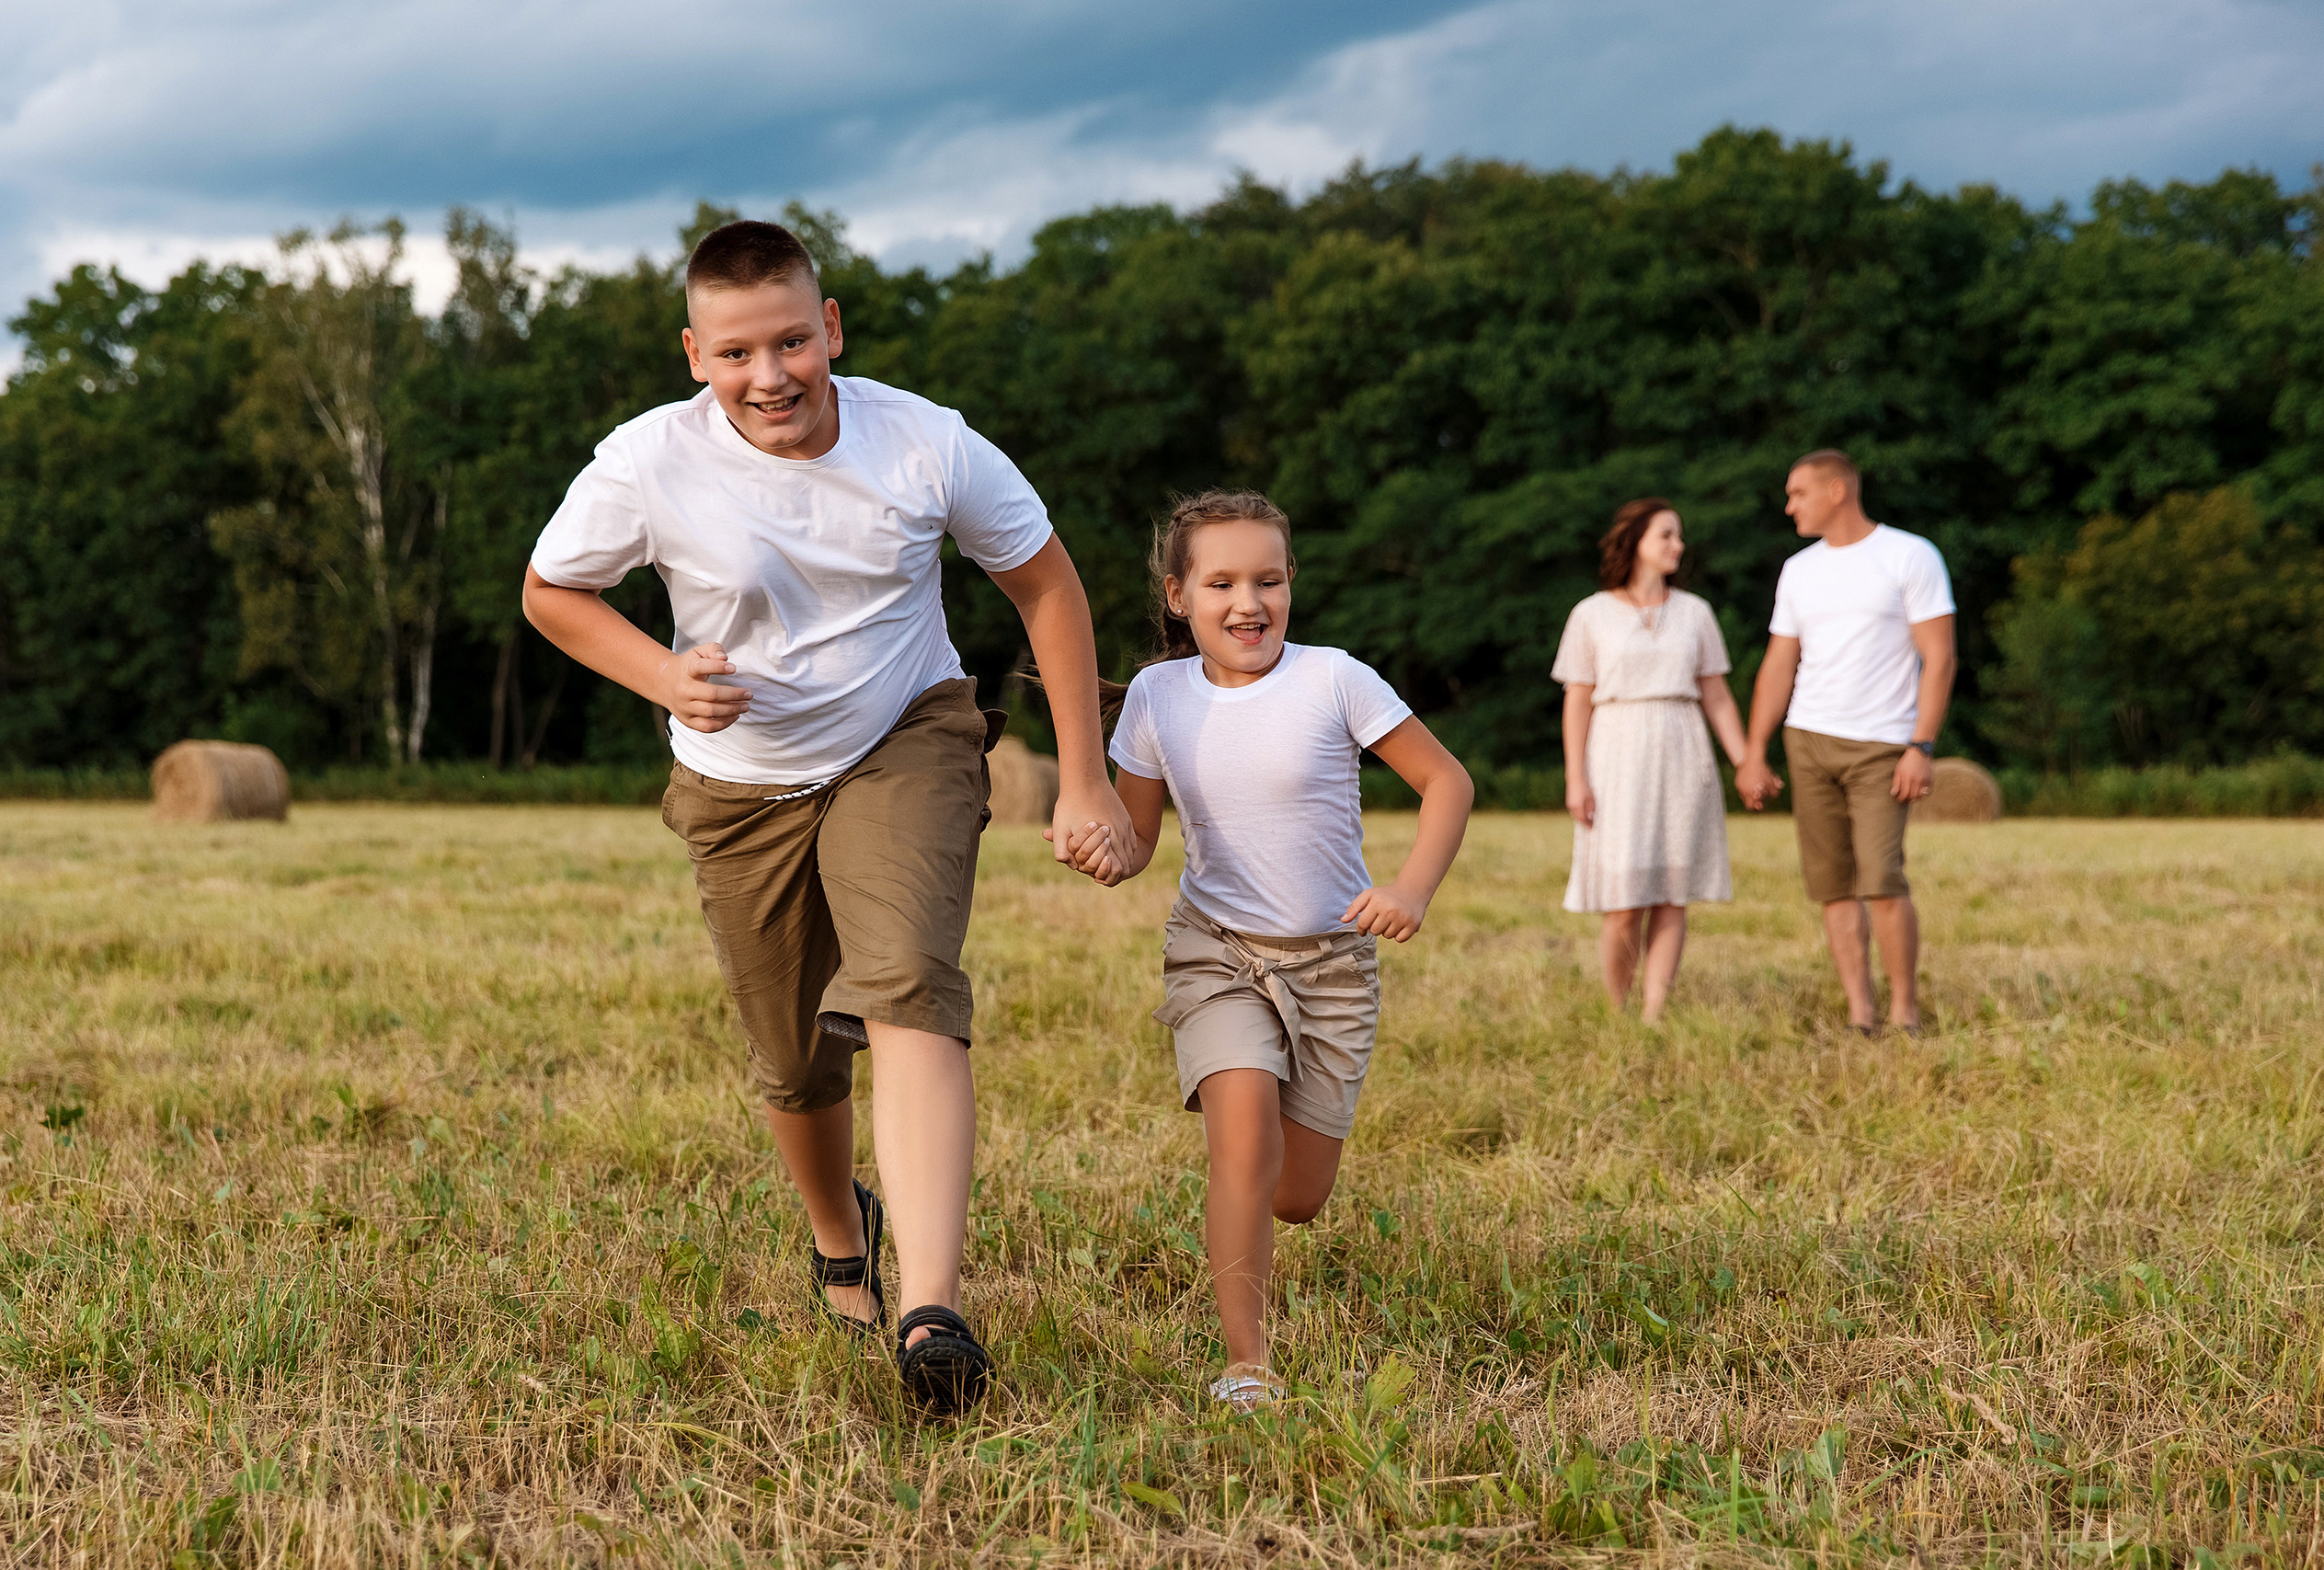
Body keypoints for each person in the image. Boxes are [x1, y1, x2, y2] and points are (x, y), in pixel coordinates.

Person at [521, 220, 1137, 1415]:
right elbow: (553, 591)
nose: (771, 376)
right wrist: (663, 677)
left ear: (832, 329)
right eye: (737, 352)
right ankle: (842, 1245)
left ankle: (932, 1312)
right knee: (796, 1061)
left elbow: (1046, 584)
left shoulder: (926, 442)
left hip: (905, 731)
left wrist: (1084, 774)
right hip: (738, 779)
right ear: (695, 354)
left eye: (793, 342)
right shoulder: (648, 460)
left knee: (906, 980)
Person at [1064, 490, 1473, 1414]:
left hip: (1332, 965)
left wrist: (1410, 889)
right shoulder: (1158, 698)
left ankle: (1261, 1199)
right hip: (1218, 952)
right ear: (1179, 596)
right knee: (1241, 1137)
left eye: (1268, 581)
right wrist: (1103, 849)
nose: (1247, 603)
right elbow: (1138, 840)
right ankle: (1246, 1364)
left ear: (1291, 584)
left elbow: (1447, 782)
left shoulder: (1335, 678)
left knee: (1296, 1196)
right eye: (1221, 583)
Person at [1734, 450, 1956, 1035]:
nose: (1789, 507)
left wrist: (1921, 746)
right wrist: (1754, 753)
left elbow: (1939, 658)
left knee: (1881, 880)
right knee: (1832, 886)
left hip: (1883, 746)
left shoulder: (1909, 555)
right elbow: (1779, 664)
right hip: (1808, 741)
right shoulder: (1798, 570)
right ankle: (1862, 1014)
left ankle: (1905, 1011)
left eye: (1798, 494)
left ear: (1837, 491)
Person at [1555, 498, 1750, 1024]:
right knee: (1624, 899)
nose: (1677, 545)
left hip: (1682, 747)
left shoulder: (1695, 612)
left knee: (1671, 892)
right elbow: (1577, 699)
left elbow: (1717, 695)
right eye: (1666, 534)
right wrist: (1575, 778)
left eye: (1678, 535)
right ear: (1635, 541)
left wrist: (1745, 761)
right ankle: (1617, 1010)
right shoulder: (1591, 613)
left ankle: (1654, 1012)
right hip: (1616, 753)